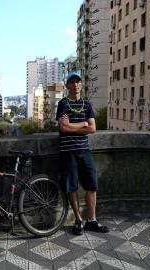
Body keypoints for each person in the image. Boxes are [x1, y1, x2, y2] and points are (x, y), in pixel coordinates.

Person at [56, 71, 109, 235]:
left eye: (78, 81)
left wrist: (74, 125)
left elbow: (92, 128)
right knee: (71, 187)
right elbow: (63, 128)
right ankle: (79, 220)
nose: (76, 84)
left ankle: (92, 220)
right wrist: (83, 124)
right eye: (72, 81)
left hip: (84, 150)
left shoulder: (87, 105)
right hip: (68, 151)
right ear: (67, 85)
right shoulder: (63, 104)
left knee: (92, 185)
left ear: (81, 84)